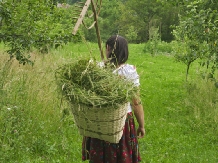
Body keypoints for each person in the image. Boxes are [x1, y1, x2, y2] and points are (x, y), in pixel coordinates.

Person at [82, 35, 145, 163]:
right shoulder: (129, 72)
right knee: (121, 154)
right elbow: (136, 102)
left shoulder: (96, 68)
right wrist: (141, 125)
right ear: (125, 51)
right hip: (121, 120)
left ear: (107, 48)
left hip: (100, 121)